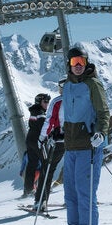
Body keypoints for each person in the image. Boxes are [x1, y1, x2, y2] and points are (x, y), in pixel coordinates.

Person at [55, 45, 110, 225]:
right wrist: (59, 131)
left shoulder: (93, 85)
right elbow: (69, 114)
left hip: (89, 145)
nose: (78, 66)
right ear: (69, 65)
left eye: (81, 62)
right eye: (74, 62)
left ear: (86, 63)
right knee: (70, 190)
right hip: (71, 145)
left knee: (85, 190)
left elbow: (104, 112)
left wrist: (101, 133)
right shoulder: (67, 86)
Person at [34, 82, 65, 212]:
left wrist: (41, 138)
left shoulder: (57, 102)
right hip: (78, 140)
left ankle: (41, 201)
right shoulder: (81, 98)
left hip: (60, 140)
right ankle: (77, 199)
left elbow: (49, 122)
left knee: (48, 170)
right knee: (76, 168)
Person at [21, 93, 51, 198]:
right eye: (45, 101)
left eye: (48, 101)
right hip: (38, 140)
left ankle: (29, 189)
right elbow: (44, 128)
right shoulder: (41, 114)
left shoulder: (34, 111)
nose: (47, 104)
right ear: (39, 102)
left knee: (31, 164)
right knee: (46, 163)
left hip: (30, 139)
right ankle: (43, 189)